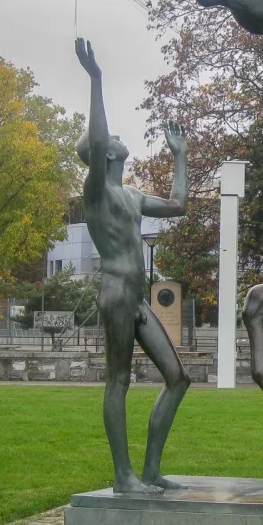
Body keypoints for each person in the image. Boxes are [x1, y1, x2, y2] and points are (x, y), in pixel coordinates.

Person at [75, 38, 191, 494]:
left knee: (178, 379)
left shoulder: (132, 196)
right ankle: (124, 475)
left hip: (137, 299)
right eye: (110, 139)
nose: (116, 139)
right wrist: (97, 79)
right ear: (104, 154)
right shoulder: (97, 192)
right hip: (116, 293)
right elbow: (98, 135)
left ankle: (149, 470)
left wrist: (180, 156)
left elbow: (179, 205)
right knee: (119, 380)